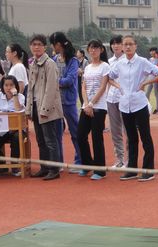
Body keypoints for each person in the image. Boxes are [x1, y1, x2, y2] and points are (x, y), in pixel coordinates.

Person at [108, 35, 158, 182]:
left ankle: (148, 170)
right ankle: (132, 170)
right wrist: (118, 86)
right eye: (125, 44)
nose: (127, 47)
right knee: (131, 139)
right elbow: (109, 77)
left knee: (145, 137)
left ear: (136, 46)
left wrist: (146, 83)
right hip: (125, 105)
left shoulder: (142, 62)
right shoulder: (120, 63)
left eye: (130, 44)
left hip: (139, 104)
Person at [25, 34, 64, 180]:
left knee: (50, 140)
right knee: (41, 140)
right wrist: (29, 109)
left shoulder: (50, 64)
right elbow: (30, 89)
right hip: (35, 105)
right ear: (30, 46)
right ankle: (44, 167)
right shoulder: (32, 63)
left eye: (39, 44)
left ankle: (54, 169)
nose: (36, 47)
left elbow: (51, 89)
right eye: (34, 44)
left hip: (47, 109)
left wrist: (45, 110)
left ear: (45, 47)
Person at [78, 40, 110, 181]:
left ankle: (100, 170)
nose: (93, 50)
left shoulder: (105, 67)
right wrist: (86, 104)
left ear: (101, 50)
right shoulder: (88, 67)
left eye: (96, 48)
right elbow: (83, 87)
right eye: (91, 48)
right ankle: (87, 164)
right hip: (86, 107)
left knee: (97, 137)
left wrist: (92, 103)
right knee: (80, 135)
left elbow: (103, 87)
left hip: (99, 106)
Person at [49, 32, 81, 170]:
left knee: (75, 132)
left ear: (58, 44)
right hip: (55, 101)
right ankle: (59, 163)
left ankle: (80, 161)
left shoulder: (72, 60)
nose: (52, 46)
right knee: (57, 133)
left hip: (68, 101)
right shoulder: (54, 59)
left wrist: (54, 82)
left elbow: (69, 80)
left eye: (53, 44)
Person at [0, 75, 25, 177]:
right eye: (6, 85)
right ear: (2, 86)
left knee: (17, 139)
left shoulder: (20, 97)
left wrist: (15, 95)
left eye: (11, 85)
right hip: (2, 130)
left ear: (15, 86)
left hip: (17, 129)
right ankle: (2, 166)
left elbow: (17, 109)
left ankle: (15, 166)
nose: (8, 87)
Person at [106, 35, 126, 168]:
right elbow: (107, 79)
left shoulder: (128, 59)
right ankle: (119, 159)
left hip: (125, 99)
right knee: (115, 132)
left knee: (127, 131)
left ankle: (130, 160)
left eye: (118, 43)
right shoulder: (109, 61)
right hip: (111, 99)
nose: (115, 46)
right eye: (113, 43)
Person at [145, 47, 158, 114]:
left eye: (152, 51)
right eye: (150, 51)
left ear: (155, 51)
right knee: (147, 93)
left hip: (155, 78)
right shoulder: (150, 59)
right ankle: (148, 107)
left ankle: (157, 108)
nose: (151, 52)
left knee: (156, 93)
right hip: (150, 78)